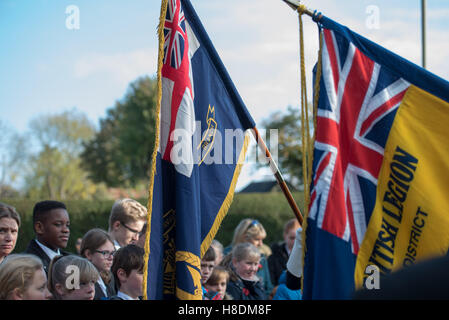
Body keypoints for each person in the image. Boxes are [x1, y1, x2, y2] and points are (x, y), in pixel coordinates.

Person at [224, 219, 274, 296]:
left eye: (255, 264)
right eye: (257, 239)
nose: (261, 244)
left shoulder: (262, 258)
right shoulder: (226, 255)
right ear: (245, 238)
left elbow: (268, 287)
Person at [24, 200, 71, 274]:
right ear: (39, 227)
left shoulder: (72, 260)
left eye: (67, 225)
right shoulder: (25, 264)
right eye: (58, 224)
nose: (66, 230)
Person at [80, 228, 117, 300]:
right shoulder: (81, 284)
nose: (111, 257)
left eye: (112, 253)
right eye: (105, 253)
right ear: (88, 254)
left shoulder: (109, 280)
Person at [268, 218, 301, 285]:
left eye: (297, 238)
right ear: (285, 236)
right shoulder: (274, 256)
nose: (295, 241)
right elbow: (271, 281)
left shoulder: (308, 255)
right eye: (292, 238)